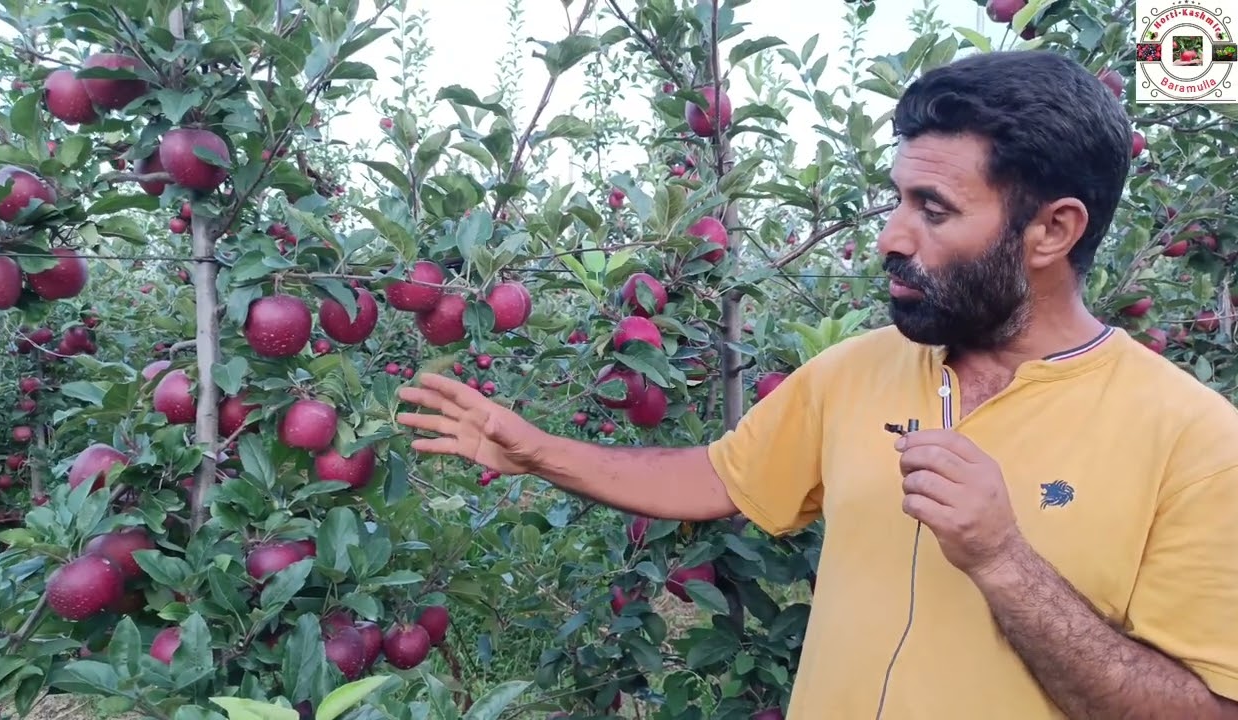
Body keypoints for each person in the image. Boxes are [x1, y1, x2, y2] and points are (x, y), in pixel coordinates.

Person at [396, 49, 1238, 719]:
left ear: (1053, 229)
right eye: (894, 199)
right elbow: (721, 476)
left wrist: (1005, 561)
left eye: (933, 209)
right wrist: (540, 453)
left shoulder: (1191, 441)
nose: (888, 238)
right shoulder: (859, 368)